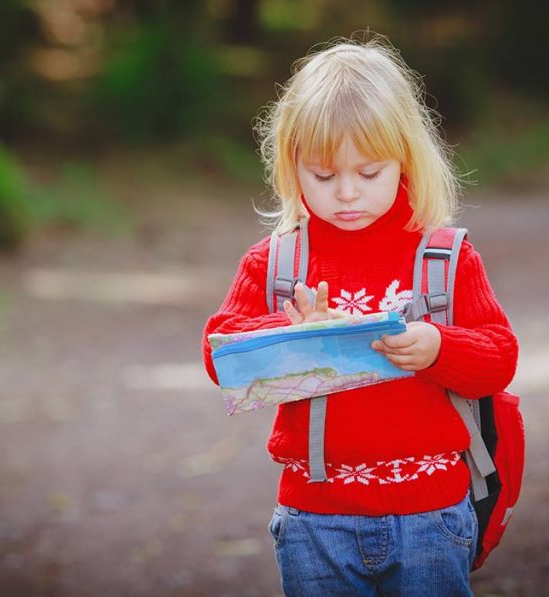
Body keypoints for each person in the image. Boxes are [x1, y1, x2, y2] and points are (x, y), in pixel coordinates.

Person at [200, 34, 518, 596]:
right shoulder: (277, 262)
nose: (346, 194)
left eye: (369, 173)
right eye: (322, 176)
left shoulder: (442, 257)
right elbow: (219, 353)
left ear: (406, 160)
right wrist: (291, 332)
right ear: (291, 166)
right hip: (314, 519)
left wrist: (438, 347)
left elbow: (499, 358)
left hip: (432, 514)